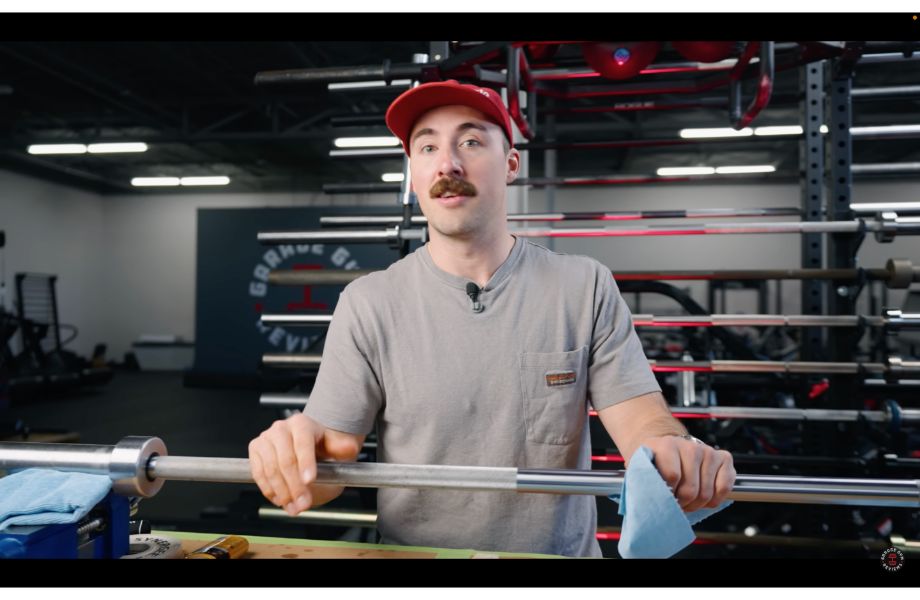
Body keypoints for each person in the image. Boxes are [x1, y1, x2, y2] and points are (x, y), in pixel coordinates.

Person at [248, 79, 736, 557]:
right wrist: (292, 461)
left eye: (471, 141)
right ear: (413, 172)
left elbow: (642, 421)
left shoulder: (583, 286)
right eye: (427, 147)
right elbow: (328, 468)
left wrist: (674, 450)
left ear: (510, 164)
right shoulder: (369, 302)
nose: (448, 163)